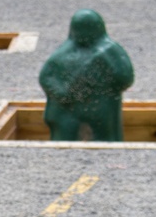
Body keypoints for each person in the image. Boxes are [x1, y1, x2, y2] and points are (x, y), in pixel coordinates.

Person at [38, 9, 135, 141]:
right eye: (79, 29)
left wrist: (105, 68)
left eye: (87, 29)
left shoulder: (110, 51)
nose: (83, 34)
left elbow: (126, 78)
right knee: (64, 142)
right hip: (68, 111)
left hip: (102, 109)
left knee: (106, 143)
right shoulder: (65, 52)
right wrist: (61, 93)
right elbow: (46, 76)